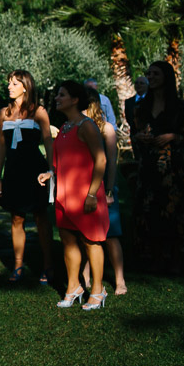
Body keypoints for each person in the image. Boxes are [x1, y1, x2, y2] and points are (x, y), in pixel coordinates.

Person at [42, 81, 109, 311]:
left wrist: (92, 194)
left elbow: (101, 160)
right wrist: (50, 172)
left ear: (75, 100)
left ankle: (98, 290)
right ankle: (73, 287)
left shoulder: (86, 125)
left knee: (91, 241)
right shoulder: (65, 126)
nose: (57, 98)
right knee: (68, 241)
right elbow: (64, 161)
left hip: (85, 195)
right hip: (65, 194)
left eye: (62, 95)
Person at [132, 61, 184, 273]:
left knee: (175, 211)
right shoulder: (141, 108)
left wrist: (173, 136)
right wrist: (139, 137)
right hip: (149, 166)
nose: (150, 77)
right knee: (150, 211)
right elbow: (135, 135)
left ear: (166, 77)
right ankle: (155, 258)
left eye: (155, 73)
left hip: (173, 168)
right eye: (148, 73)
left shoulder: (180, 107)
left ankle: (176, 259)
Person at [0, 70, 55, 284]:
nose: (9, 86)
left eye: (14, 83)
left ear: (25, 86)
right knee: (16, 217)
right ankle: (18, 265)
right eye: (9, 83)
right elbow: (1, 145)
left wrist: (51, 170)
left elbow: (48, 141)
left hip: (35, 170)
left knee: (41, 217)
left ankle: (48, 265)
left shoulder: (38, 111)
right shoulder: (4, 113)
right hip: (13, 171)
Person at [83, 88, 127, 295]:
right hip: (86, 187)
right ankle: (86, 275)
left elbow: (111, 162)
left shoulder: (106, 128)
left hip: (104, 187)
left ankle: (120, 280)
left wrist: (109, 190)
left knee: (110, 235)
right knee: (88, 234)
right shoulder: (80, 127)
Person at [124, 76, 148, 159]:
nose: (139, 85)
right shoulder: (129, 102)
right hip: (135, 136)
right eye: (137, 83)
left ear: (147, 85)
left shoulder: (152, 100)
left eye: (142, 83)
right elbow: (128, 118)